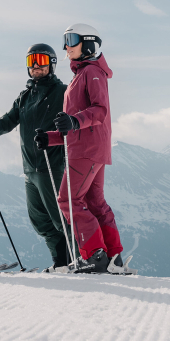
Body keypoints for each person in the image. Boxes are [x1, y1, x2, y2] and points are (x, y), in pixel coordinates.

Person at [33, 23, 130, 274]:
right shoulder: (83, 74)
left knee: (67, 199)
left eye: (72, 39)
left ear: (87, 43)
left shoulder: (92, 73)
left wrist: (74, 120)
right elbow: (72, 127)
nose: (66, 46)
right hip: (89, 148)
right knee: (95, 202)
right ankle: (112, 257)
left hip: (86, 151)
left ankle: (94, 255)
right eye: (65, 39)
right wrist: (51, 138)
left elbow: (99, 110)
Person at [0, 44, 71, 271]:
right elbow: (7, 121)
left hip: (52, 166)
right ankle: (61, 263)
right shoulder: (25, 97)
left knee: (62, 220)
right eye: (31, 61)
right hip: (30, 169)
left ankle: (80, 258)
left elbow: (75, 121)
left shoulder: (63, 92)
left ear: (52, 64)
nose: (36, 65)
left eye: (40, 60)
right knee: (40, 221)